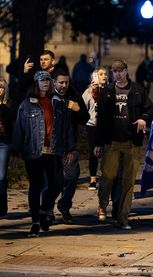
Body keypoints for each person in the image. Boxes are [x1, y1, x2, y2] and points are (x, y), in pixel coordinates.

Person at [94, 60, 153, 230]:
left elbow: (152, 109)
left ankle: (123, 217)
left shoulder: (137, 90)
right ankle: (102, 204)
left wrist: (144, 118)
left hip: (132, 142)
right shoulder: (107, 91)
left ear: (126, 71)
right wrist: (98, 142)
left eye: (121, 71)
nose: (118, 74)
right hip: (111, 142)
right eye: (114, 71)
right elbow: (101, 120)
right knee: (108, 177)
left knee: (128, 182)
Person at [12, 71, 74, 236]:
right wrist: (15, 150)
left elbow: (66, 128)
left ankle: (44, 209)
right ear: (36, 83)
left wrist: (69, 149)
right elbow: (19, 128)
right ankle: (35, 221)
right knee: (36, 186)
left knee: (58, 183)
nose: (45, 83)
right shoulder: (27, 104)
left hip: (54, 150)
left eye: (48, 80)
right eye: (42, 80)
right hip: (33, 151)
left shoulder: (57, 103)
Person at [52, 69, 89, 223]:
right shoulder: (48, 97)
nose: (64, 85)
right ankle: (47, 210)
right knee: (51, 181)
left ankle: (64, 206)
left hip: (69, 145)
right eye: (61, 82)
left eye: (66, 82)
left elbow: (85, 118)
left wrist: (77, 109)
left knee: (72, 178)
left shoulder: (73, 96)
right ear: (54, 82)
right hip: (51, 146)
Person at [82, 67, 108, 190]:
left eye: (105, 74)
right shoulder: (88, 92)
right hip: (92, 125)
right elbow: (83, 108)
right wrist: (92, 92)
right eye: (101, 74)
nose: (104, 76)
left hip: (106, 126)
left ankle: (106, 177)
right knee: (94, 152)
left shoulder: (110, 90)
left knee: (107, 151)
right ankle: (93, 178)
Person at [0, 79, 12, 216]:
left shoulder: (9, 107)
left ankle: (2, 207)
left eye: (2, 88)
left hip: (3, 143)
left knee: (1, 177)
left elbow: (12, 127)